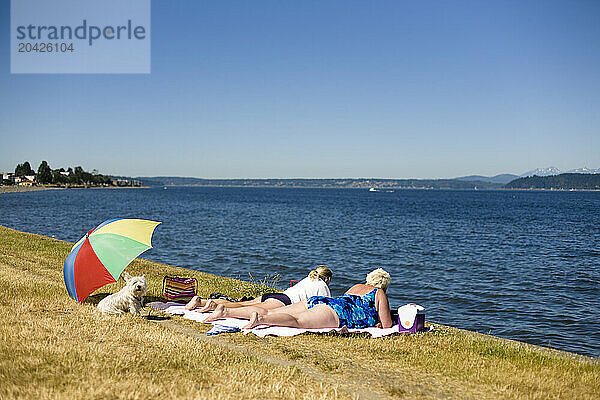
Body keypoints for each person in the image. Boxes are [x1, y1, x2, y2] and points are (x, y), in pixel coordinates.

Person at [208, 268, 393, 330]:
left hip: (323, 302)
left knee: (271, 310)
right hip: (337, 312)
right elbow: (386, 324)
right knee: (298, 322)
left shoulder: (355, 287)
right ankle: (260, 320)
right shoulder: (378, 293)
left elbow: (344, 299)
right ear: (383, 285)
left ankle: (227, 310)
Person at [186, 265, 332, 314]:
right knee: (245, 307)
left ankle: (203, 301)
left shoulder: (309, 279)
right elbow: (327, 306)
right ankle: (213, 305)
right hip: (284, 301)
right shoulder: (322, 286)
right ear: (327, 279)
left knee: (241, 303)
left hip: (277, 295)